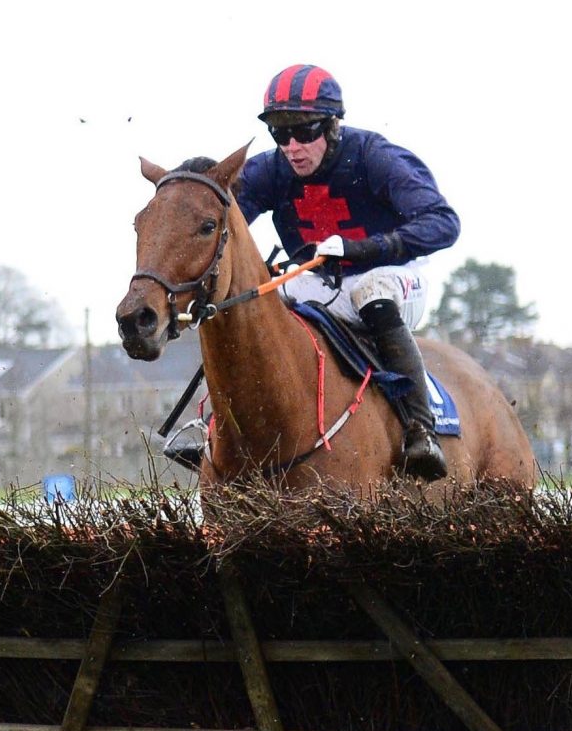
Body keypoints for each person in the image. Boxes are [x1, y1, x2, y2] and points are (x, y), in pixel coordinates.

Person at [167, 64, 460, 479]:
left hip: (393, 275)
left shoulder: (375, 156)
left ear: (333, 125)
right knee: (251, 308)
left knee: (370, 292)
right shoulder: (273, 170)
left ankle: (420, 428)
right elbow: (218, 216)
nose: (293, 146)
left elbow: (443, 222)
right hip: (318, 279)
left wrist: (363, 249)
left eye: (305, 131)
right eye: (280, 134)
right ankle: (217, 426)